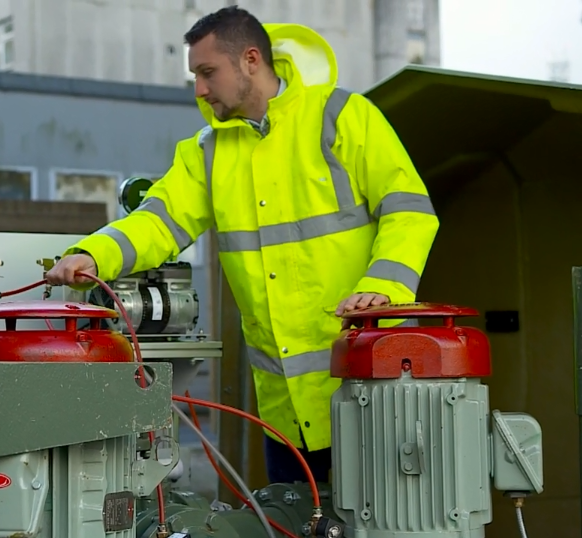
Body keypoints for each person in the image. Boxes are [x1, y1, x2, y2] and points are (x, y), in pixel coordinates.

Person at [44, 6, 439, 485]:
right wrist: (94, 255)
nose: (199, 90)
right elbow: (158, 221)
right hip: (286, 414)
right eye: (195, 75)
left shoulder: (343, 117)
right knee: (295, 523)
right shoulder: (206, 154)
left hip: (374, 388)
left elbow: (410, 211)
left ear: (251, 59)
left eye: (208, 72)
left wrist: (383, 287)